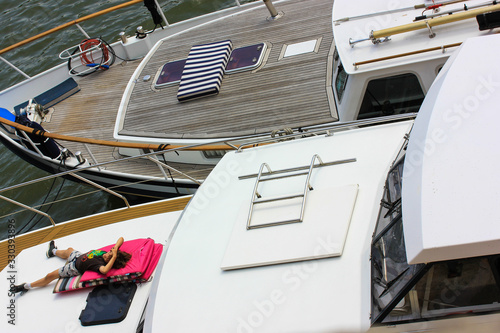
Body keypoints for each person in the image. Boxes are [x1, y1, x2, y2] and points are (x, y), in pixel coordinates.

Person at [10, 237, 131, 295]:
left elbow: (104, 271)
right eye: (110, 252)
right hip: (79, 256)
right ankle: (52, 252)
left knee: (50, 276)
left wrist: (113, 257)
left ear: (111, 261)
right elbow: (121, 238)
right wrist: (114, 250)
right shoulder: (109, 253)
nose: (107, 254)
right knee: (69, 250)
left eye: (109, 256)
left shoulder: (99, 264)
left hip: (74, 267)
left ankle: (26, 286)